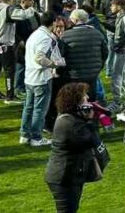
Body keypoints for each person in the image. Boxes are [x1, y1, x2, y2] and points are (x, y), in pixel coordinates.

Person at [45, 82, 101, 213]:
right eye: (84, 96)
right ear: (75, 101)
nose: (87, 97)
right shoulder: (69, 123)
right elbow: (92, 140)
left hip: (70, 174)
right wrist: (90, 120)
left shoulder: (70, 118)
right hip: (63, 177)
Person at [20, 12, 60, 146]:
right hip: (41, 78)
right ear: (53, 22)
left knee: (28, 107)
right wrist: (54, 64)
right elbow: (39, 57)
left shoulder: (35, 34)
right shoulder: (45, 38)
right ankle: (36, 138)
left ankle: (24, 135)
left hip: (29, 77)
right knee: (39, 110)